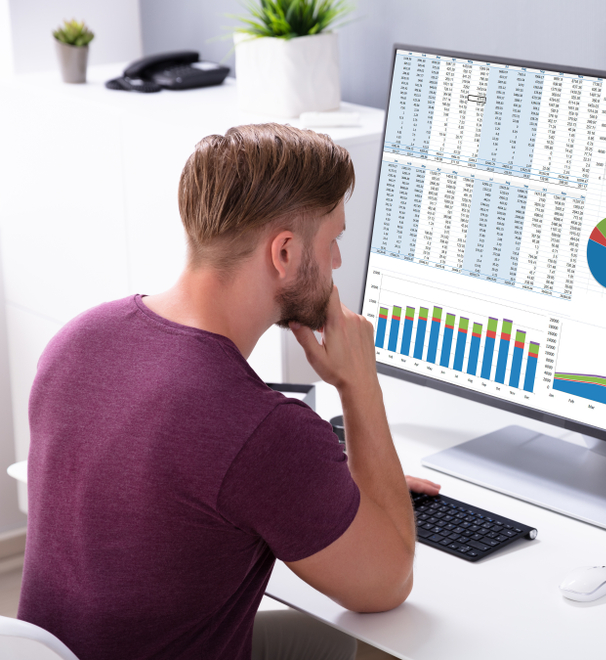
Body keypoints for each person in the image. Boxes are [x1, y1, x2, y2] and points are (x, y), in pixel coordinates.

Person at [18, 123, 439, 659]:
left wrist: (324, 480)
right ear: (284, 253)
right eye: (333, 241)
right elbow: (387, 584)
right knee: (380, 642)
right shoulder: (262, 430)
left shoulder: (79, 339)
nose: (336, 263)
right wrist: (359, 385)